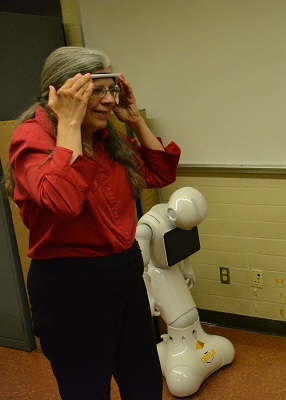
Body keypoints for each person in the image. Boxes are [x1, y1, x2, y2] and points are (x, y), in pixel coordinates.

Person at [2, 46, 181, 400]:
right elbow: (62, 200)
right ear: (63, 94)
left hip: (123, 273)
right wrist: (68, 123)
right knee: (86, 388)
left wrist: (135, 120)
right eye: (95, 90)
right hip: (70, 287)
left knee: (143, 381)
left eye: (110, 89)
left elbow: (160, 172)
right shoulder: (32, 137)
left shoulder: (105, 137)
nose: (109, 100)